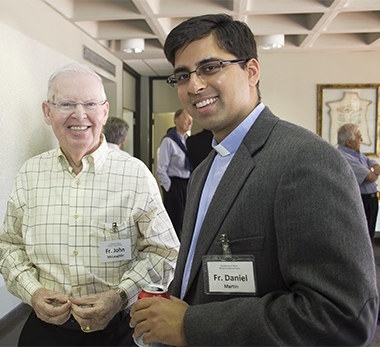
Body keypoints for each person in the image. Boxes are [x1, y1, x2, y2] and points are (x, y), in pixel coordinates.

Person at [129, 14, 378, 346]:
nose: (194, 85)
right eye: (183, 75)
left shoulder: (305, 160)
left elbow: (341, 316)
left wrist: (192, 324)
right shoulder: (205, 169)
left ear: (251, 71)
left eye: (210, 67)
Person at [0, 63, 180, 347]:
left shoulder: (135, 175)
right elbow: (8, 246)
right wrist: (32, 291)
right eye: (66, 103)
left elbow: (164, 252)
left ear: (104, 111)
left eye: (90, 104)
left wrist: (119, 296)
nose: (79, 115)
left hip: (117, 332)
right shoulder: (29, 174)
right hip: (44, 333)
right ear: (47, 112)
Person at [337, 123, 380, 241]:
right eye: (358, 137)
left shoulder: (358, 154)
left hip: (370, 200)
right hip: (361, 200)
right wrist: (371, 171)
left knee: (369, 236)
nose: (361, 139)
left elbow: (376, 166)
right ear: (348, 142)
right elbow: (370, 177)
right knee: (361, 238)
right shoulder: (344, 156)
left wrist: (371, 170)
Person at [156, 108, 193, 237]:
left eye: (191, 120)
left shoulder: (190, 141)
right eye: (186, 119)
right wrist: (169, 188)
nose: (189, 123)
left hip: (188, 184)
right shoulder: (169, 141)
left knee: (187, 220)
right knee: (175, 221)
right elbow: (161, 169)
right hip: (175, 185)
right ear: (176, 120)